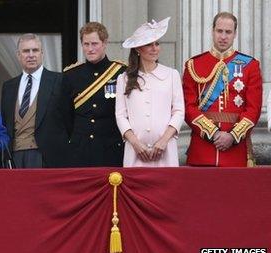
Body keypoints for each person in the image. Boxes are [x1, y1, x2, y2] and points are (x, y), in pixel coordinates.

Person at [183, 12, 263, 167]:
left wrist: (232, 136)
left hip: (235, 151)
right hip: (202, 150)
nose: (223, 36)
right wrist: (213, 133)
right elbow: (188, 107)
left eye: (228, 32)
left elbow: (253, 109)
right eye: (219, 31)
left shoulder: (250, 66)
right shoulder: (194, 65)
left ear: (235, 34)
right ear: (212, 31)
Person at [116, 17, 185, 167]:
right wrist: (135, 143)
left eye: (157, 43)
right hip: (135, 152)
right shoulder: (124, 78)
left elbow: (179, 111)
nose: (155, 48)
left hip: (165, 151)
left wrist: (163, 141)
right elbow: (120, 115)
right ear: (138, 49)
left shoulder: (171, 75)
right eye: (149, 44)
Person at [62, 22, 127, 167]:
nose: (90, 49)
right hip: (81, 151)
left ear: (104, 43)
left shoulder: (121, 72)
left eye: (94, 43)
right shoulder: (71, 75)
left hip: (111, 149)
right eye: (86, 44)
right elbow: (66, 116)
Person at [1, 34, 69, 168]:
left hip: (47, 156)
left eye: (35, 50)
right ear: (18, 55)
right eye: (26, 51)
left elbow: (69, 120)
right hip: (15, 156)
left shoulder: (59, 81)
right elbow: (5, 123)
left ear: (42, 53)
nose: (31, 55)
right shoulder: (8, 86)